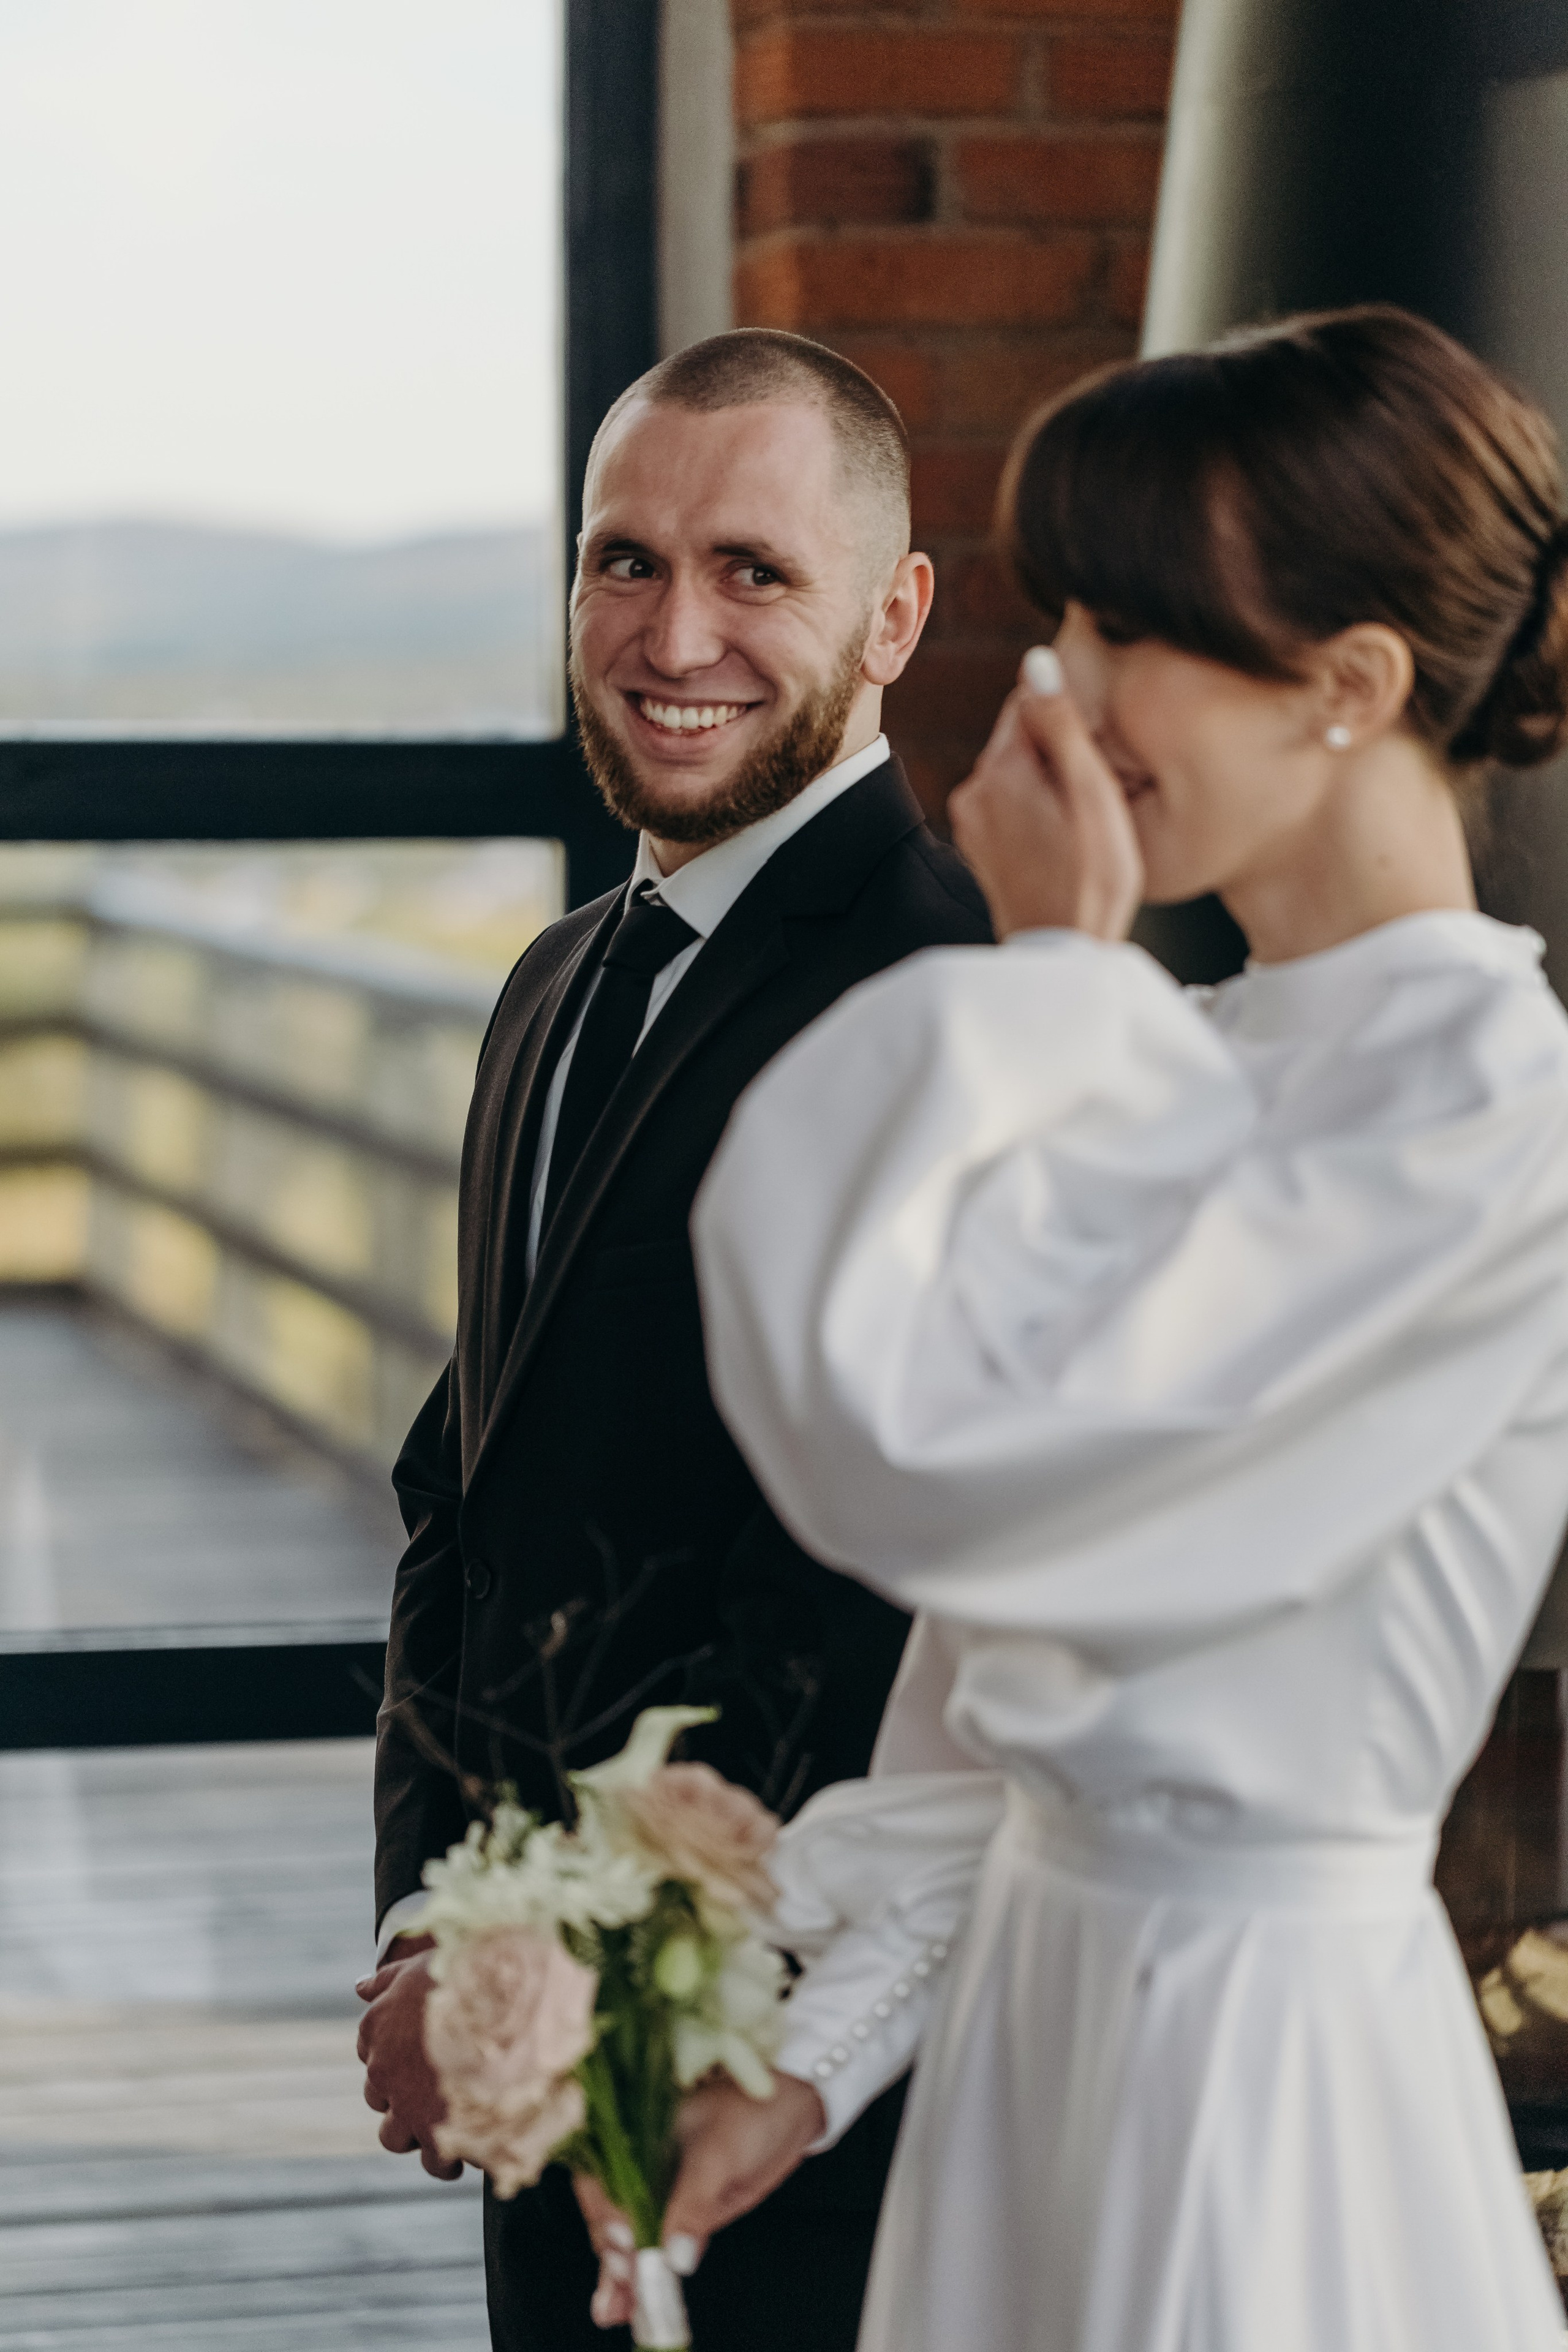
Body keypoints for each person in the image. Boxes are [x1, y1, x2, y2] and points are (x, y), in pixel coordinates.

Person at [653, 306, 1568, 2351]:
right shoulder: (1177, 1049)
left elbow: (949, 1461)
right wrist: (814, 2052)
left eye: (1138, 624)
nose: (1064, 685)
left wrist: (1052, 978)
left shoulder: (1490, 1107)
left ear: (1351, 685)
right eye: (1066, 612)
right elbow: (994, 1705)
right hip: (1037, 2030)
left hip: (1247, 2058)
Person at [355, 326, 991, 2352]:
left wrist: (583, 1977)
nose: (673, 630)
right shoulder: (552, 983)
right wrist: (436, 1929)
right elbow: (462, 1492)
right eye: (624, 560)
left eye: (755, 571)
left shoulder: (945, 999)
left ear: (895, 615)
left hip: (778, 2085)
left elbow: (865, 1600)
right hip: (529, 2047)